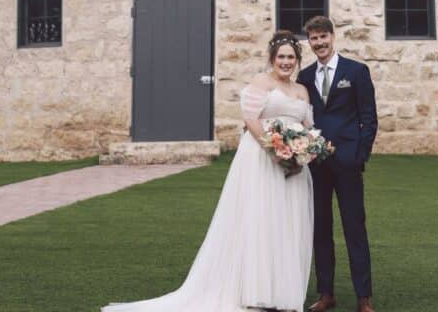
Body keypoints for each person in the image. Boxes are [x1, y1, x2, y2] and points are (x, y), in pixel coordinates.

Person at [102, 31, 315, 312]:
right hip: (263, 159)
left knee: (287, 223)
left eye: (291, 57)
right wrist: (275, 151)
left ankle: (283, 292)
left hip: (294, 166)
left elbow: (309, 127)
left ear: (297, 60)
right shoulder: (260, 83)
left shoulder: (301, 91)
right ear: (272, 58)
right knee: (261, 219)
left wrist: (303, 153)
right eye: (281, 57)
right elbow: (250, 120)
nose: (286, 62)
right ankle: (256, 290)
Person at [297, 16, 378, 312]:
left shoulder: (356, 71)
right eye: (313, 39)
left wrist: (360, 155)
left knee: (354, 227)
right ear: (309, 42)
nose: (318, 43)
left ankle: (364, 297)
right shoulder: (305, 76)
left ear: (332, 37)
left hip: (348, 163)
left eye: (322, 37)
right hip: (316, 165)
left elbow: (368, 118)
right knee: (321, 230)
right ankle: (326, 293)